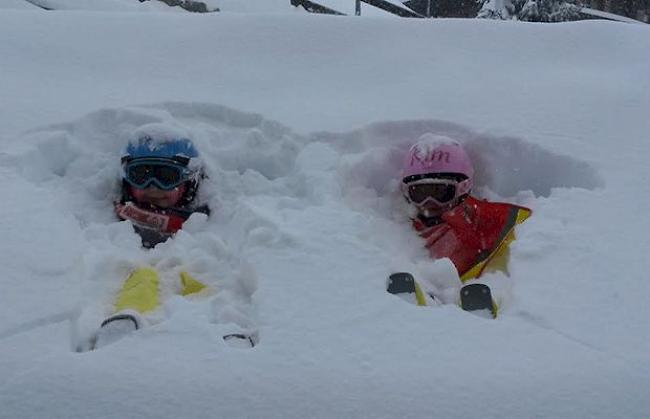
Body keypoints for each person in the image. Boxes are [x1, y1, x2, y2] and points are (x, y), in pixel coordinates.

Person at [88, 134, 215, 350]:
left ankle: (217, 333)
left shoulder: (211, 223)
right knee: (141, 277)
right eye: (141, 175)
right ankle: (122, 333)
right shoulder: (108, 223)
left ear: (189, 180)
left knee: (198, 279)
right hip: (133, 316)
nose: (153, 187)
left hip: (197, 337)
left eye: (166, 176)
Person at [401, 134, 531, 285]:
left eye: (440, 191)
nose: (429, 202)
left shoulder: (494, 223)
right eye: (420, 193)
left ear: (463, 187)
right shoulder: (398, 231)